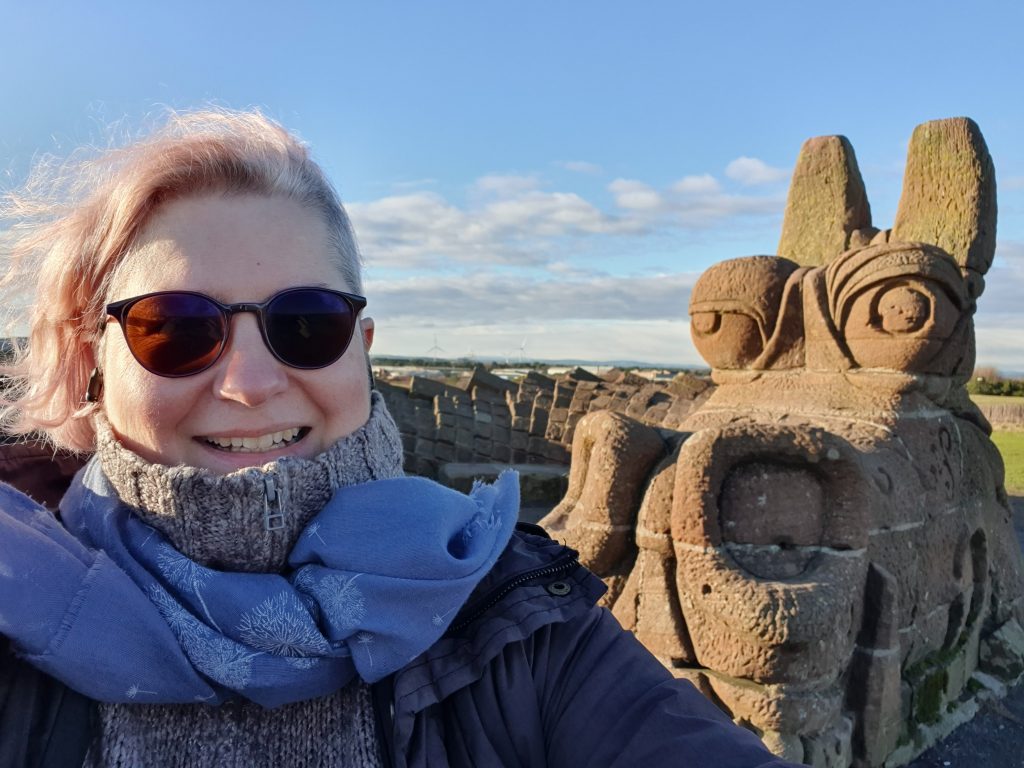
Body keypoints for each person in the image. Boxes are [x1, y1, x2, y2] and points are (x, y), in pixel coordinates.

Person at [0, 109, 800, 767]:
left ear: (363, 348)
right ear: (91, 359)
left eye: (305, 324)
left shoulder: (515, 625)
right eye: (173, 329)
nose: (249, 382)